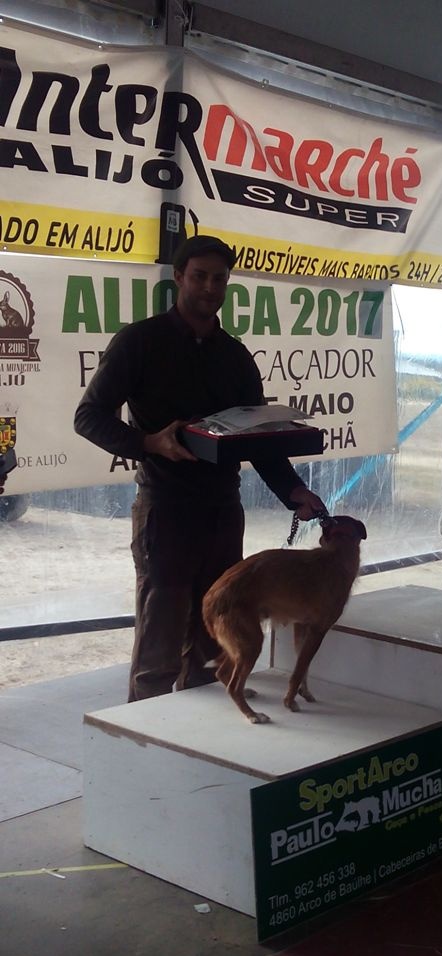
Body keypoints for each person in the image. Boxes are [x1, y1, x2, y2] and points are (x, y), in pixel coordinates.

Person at [74, 234, 326, 703]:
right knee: (159, 649)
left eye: (219, 279)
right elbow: (88, 417)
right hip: (166, 511)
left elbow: (259, 439)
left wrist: (293, 491)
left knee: (214, 647)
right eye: (200, 276)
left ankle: (199, 738)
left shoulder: (235, 356)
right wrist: (149, 442)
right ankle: (144, 735)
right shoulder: (139, 342)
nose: (210, 287)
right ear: (178, 277)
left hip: (223, 513)